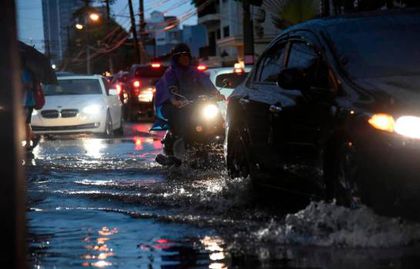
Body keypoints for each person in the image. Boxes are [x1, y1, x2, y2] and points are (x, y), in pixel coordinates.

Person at [154, 43, 224, 163]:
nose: (185, 58)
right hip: (181, 106)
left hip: (198, 105)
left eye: (187, 55)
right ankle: (181, 153)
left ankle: (224, 149)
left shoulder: (195, 72)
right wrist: (174, 100)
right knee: (184, 123)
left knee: (220, 121)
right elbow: (170, 88)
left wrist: (216, 93)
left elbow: (206, 83)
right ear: (177, 58)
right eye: (182, 56)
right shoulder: (171, 73)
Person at [21, 66, 40, 151]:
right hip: (23, 102)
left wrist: (20, 85)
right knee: (24, 123)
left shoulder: (25, 72)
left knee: (25, 122)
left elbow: (29, 85)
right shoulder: (21, 72)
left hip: (27, 102)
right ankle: (34, 137)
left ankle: (29, 142)